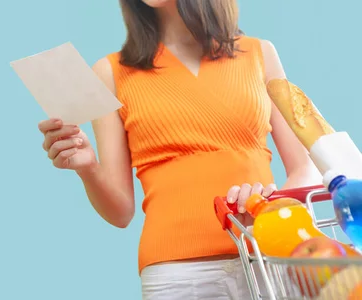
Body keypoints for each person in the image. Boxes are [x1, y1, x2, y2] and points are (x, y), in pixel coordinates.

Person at [37, 0, 321, 299]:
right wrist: (88, 167)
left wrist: (269, 207)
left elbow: (305, 168)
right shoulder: (111, 72)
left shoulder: (260, 54)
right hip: (178, 277)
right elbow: (120, 213)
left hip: (267, 261)